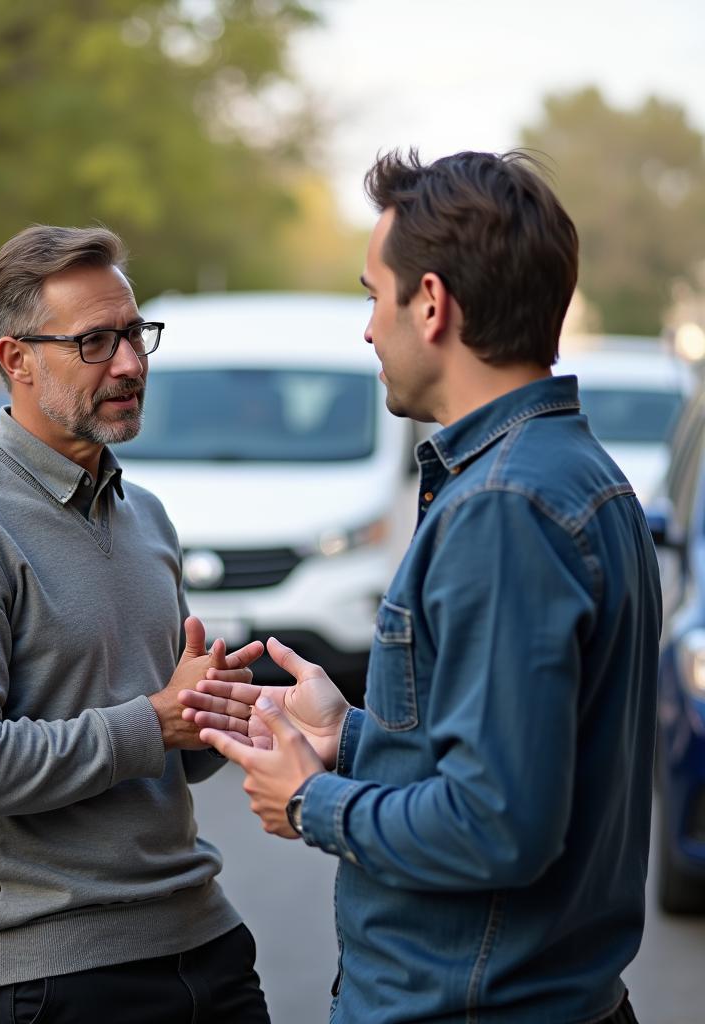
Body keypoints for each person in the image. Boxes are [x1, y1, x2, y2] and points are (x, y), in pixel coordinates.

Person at [180, 150, 659, 1024]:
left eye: (374, 295)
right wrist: (353, 737)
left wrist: (308, 800)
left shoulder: (506, 509)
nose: (368, 329)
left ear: (431, 304)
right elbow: (519, 758)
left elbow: (497, 823)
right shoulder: (575, 475)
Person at [0, 224, 270, 1024]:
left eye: (134, 334)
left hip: (205, 942)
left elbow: (169, 759)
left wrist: (211, 708)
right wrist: (153, 722)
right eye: (95, 342)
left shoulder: (145, 513)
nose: (130, 364)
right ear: (16, 360)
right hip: (52, 979)